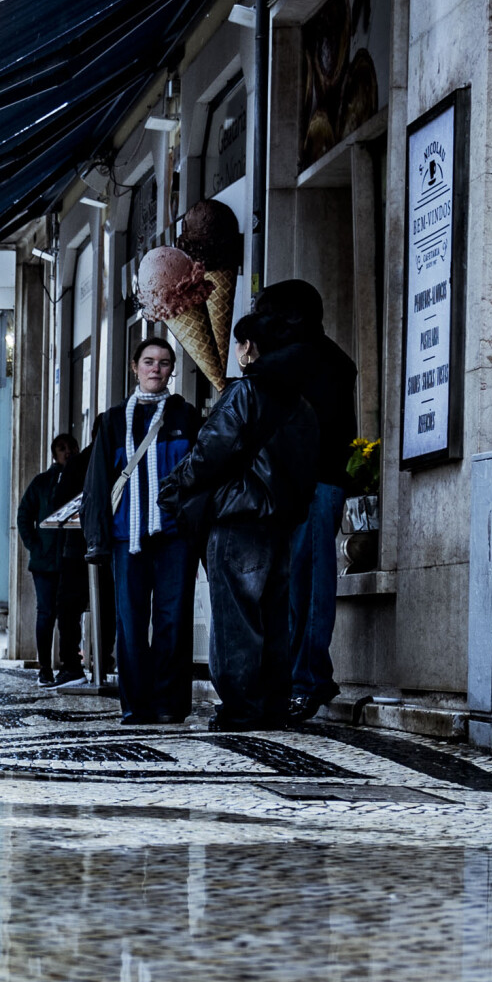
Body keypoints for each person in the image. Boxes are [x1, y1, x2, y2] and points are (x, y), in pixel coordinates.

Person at [165, 312, 320, 731]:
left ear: (249, 348)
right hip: (281, 523)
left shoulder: (246, 393)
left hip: (238, 518)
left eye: (238, 344)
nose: (236, 352)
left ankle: (240, 708)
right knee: (273, 616)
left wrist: (179, 484)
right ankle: (270, 704)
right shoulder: (303, 403)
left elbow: (212, 451)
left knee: (236, 615)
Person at [82, 339, 203, 724]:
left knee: (173, 619)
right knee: (130, 622)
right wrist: (96, 540)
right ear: (134, 367)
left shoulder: (186, 415)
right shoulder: (113, 420)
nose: (156, 369)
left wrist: (195, 528)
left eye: (165, 363)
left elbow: (201, 477)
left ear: (172, 370)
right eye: (149, 362)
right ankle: (135, 704)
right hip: (125, 537)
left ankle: (169, 704)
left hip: (174, 536)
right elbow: (98, 484)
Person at [264, 281, 360, 721]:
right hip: (314, 485)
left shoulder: (293, 362)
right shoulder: (331, 359)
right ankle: (299, 679)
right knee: (301, 587)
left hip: (309, 487)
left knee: (306, 587)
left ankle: (306, 681)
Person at [18, 432, 88, 686]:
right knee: (46, 614)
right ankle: (45, 667)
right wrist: (36, 547)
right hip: (45, 563)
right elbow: (24, 516)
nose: (67, 451)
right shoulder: (42, 483)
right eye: (61, 448)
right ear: (53, 454)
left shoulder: (83, 479)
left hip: (72, 560)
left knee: (70, 614)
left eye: (71, 447)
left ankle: (70, 663)